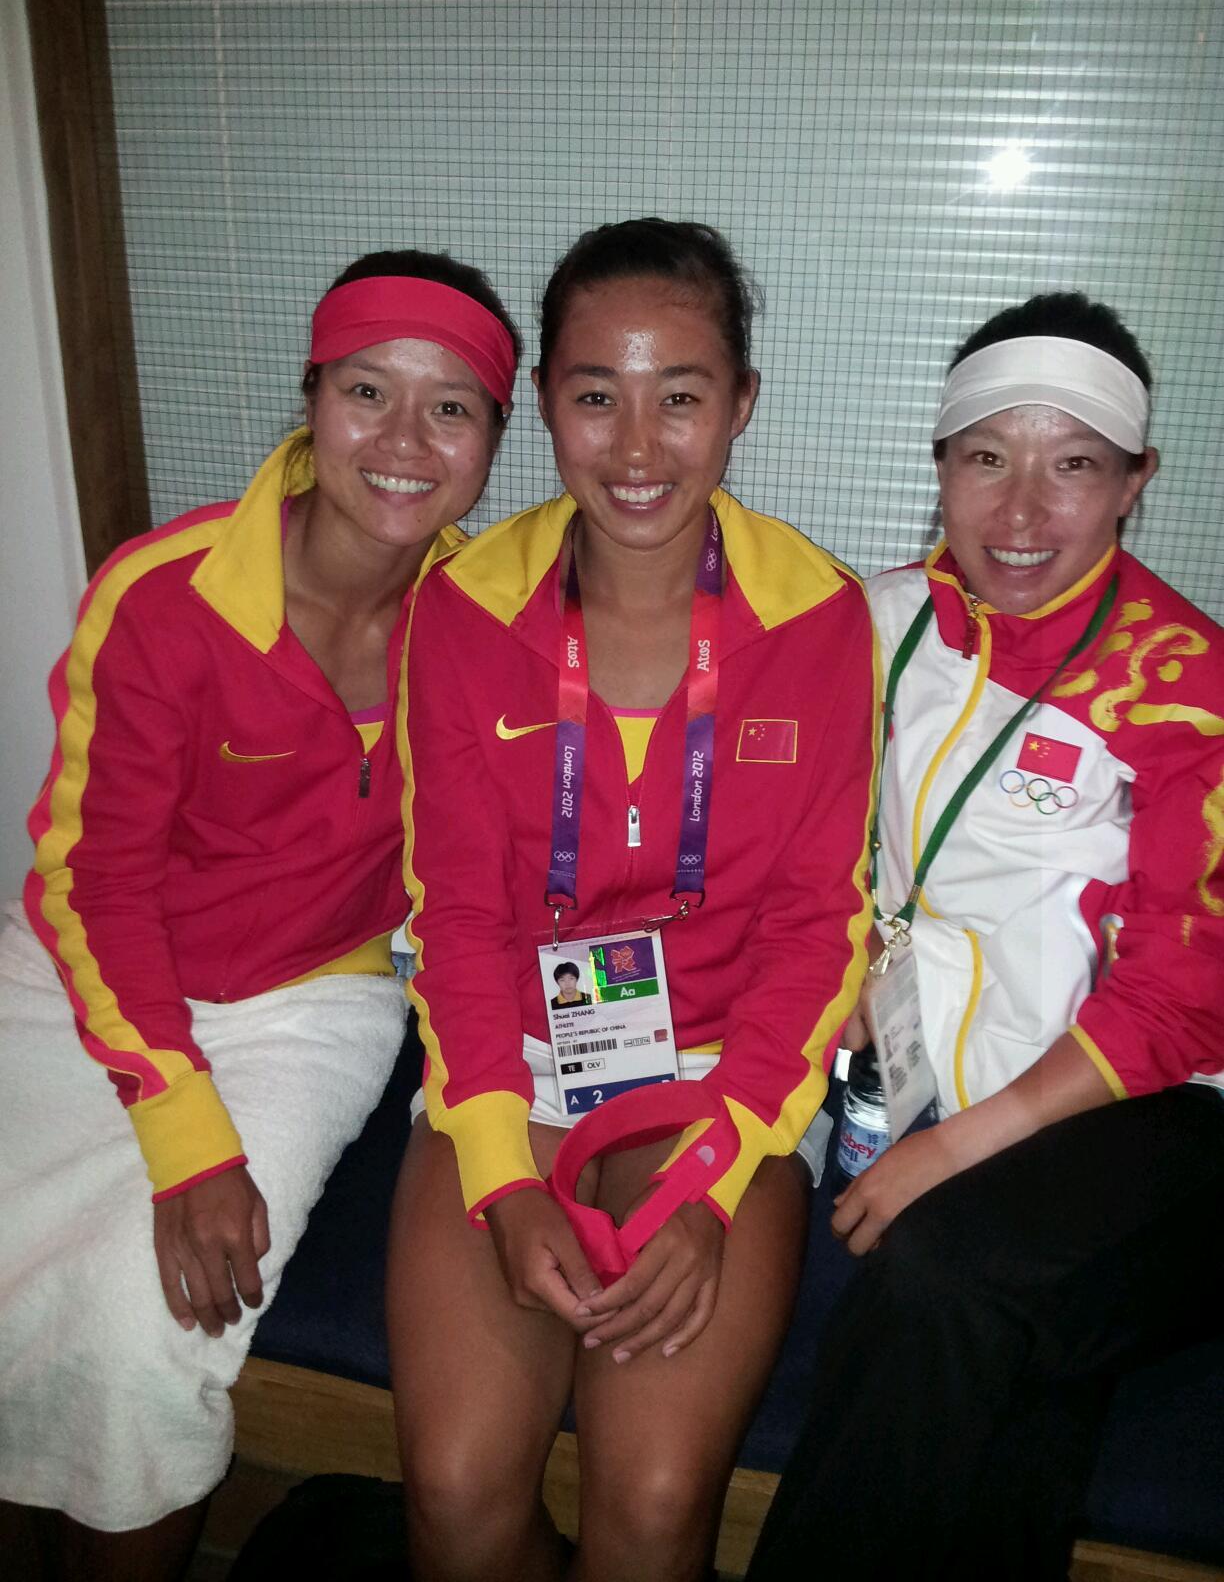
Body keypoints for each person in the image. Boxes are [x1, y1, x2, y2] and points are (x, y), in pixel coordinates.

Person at [0, 249, 519, 1582]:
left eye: (451, 408)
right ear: (311, 399)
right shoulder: (164, 596)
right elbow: (91, 880)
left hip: (310, 997)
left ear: (493, 440)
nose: (403, 441)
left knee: (149, 1327)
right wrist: (182, 1129)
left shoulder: (483, 626)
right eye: (367, 391)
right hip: (87, 971)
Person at [387, 217, 877, 1582]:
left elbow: (819, 930)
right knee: (455, 1495)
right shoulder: (464, 609)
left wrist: (716, 1177)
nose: (639, 446)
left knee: (653, 1508)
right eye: (597, 395)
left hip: (723, 1082)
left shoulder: (818, 617)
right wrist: (500, 1174)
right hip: (515, 1066)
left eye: (683, 395)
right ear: (546, 403)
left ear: (742, 405)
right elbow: (456, 919)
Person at [745, 293, 1224, 1582]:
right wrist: (844, 957)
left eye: (1074, 465)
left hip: (1164, 1112)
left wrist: (951, 1152)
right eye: (987, 458)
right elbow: (801, 835)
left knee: (945, 1273)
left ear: (1135, 483)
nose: (1021, 511)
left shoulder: (1191, 690)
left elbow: (1182, 1001)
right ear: (942, 465)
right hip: (946, 1089)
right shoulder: (874, 620)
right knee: (1010, 1357)